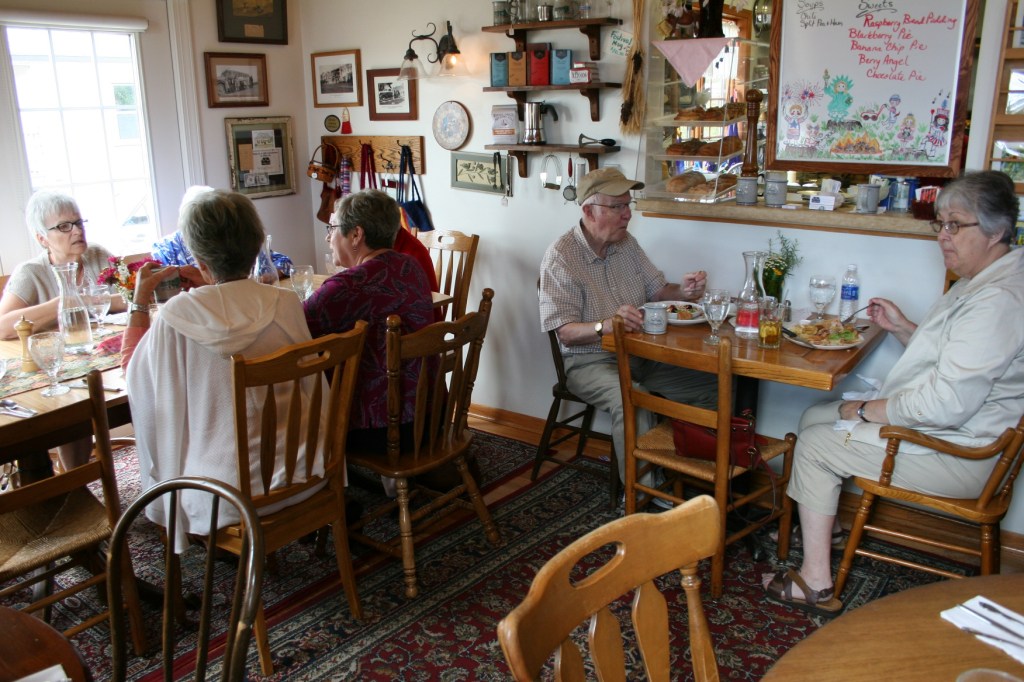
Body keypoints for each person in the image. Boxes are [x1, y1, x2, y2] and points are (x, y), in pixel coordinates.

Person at [764, 170, 1024, 616]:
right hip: (959, 433)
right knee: (813, 416)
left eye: (955, 225)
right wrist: (903, 327)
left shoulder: (999, 299)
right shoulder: (984, 280)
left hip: (960, 453)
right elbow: (955, 361)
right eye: (939, 223)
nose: (943, 237)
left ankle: (815, 583)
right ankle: (829, 528)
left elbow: (943, 405)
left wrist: (862, 409)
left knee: (816, 442)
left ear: (997, 230)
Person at [124, 188, 328, 551]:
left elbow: (138, 385)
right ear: (254, 248)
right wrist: (216, 287)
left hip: (228, 493)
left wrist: (139, 303)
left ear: (199, 259)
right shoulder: (285, 304)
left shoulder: (175, 318)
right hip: (303, 472)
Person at [538, 167, 717, 488]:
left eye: (628, 205)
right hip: (589, 362)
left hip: (640, 353)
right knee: (633, 399)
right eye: (617, 207)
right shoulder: (561, 257)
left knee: (711, 388)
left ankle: (692, 476)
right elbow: (564, 332)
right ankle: (642, 497)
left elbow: (658, 290)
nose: (627, 215)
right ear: (589, 211)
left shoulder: (626, 245)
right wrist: (605, 326)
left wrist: (685, 292)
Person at [304, 189, 434, 453]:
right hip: (427, 416)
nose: (329, 237)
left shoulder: (347, 287)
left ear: (356, 235)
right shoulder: (411, 267)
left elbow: (293, 327)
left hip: (379, 429)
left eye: (333, 227)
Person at [0, 190, 124, 340]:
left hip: (108, 346)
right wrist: (66, 302)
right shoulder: (30, 272)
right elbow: (3, 328)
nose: (78, 231)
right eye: (64, 226)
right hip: (57, 356)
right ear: (42, 239)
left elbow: (134, 298)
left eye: (78, 223)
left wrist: (86, 301)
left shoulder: (98, 255)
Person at [151, 185, 294, 278]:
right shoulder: (165, 249)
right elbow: (164, 288)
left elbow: (284, 262)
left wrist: (264, 278)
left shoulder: (235, 235)